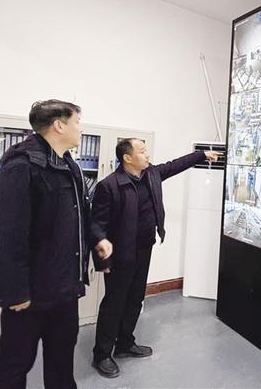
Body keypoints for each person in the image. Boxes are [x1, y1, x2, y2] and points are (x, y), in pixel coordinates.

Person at [0, 100, 113, 389]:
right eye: (77, 122)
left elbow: (81, 213)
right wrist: (16, 292)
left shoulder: (70, 165)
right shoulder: (21, 166)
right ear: (59, 125)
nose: (81, 128)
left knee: (61, 361)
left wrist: (98, 238)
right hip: (31, 293)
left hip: (65, 288)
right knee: (14, 364)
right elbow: (8, 235)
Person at [91, 138, 220, 378]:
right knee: (114, 303)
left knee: (135, 298)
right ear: (127, 157)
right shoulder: (109, 186)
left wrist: (202, 155)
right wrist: (103, 261)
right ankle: (102, 354)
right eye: (142, 151)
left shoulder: (151, 174)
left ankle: (125, 343)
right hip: (120, 254)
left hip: (144, 248)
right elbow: (97, 225)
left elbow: (175, 165)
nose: (147, 155)